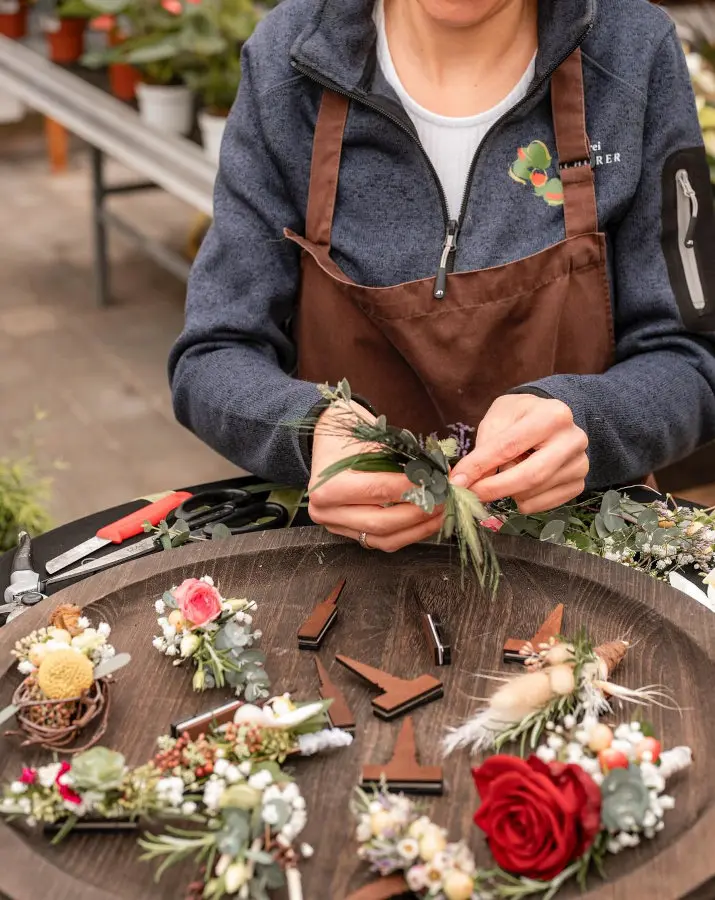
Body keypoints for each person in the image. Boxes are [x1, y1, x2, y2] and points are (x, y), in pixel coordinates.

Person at [170, 0, 715, 554]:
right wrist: (308, 432)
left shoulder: (632, 51)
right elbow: (213, 355)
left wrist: (594, 424)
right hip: (347, 562)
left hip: (586, 560)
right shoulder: (289, 60)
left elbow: (694, 358)